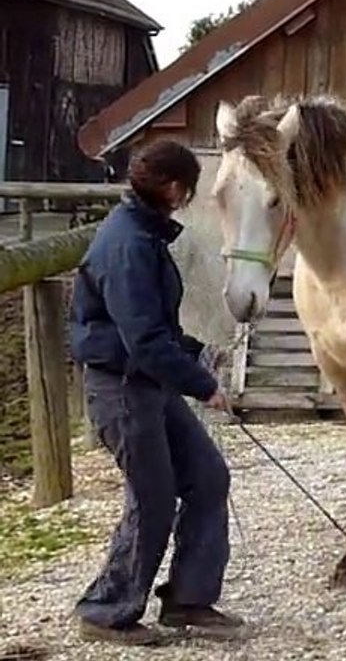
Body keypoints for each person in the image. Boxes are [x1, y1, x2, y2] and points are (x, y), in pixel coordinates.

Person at [69, 139, 243, 646]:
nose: (187, 199)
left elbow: (154, 332)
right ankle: (105, 610)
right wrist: (204, 385)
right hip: (121, 388)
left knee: (207, 476)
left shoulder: (143, 234)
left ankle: (189, 598)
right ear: (172, 187)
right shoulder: (127, 246)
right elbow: (143, 340)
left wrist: (193, 351)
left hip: (150, 381)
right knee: (153, 498)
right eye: (187, 190)